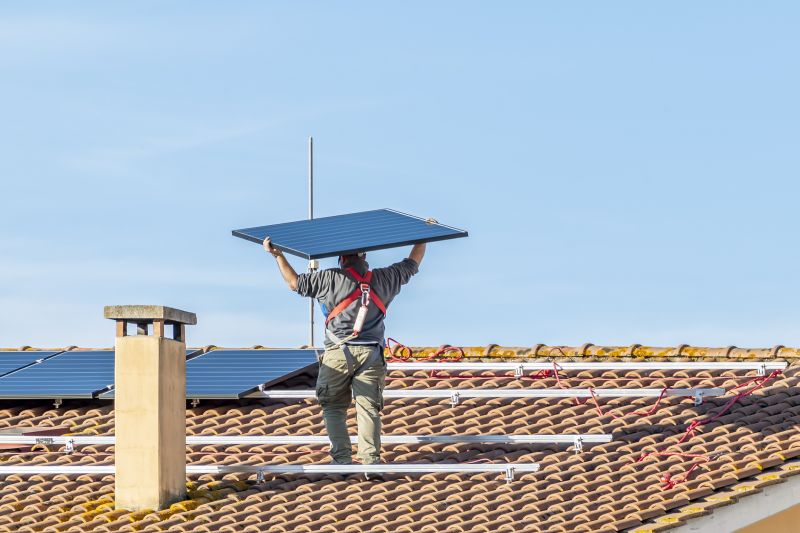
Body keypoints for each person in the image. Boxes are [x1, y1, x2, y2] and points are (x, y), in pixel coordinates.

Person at [263, 237, 426, 464]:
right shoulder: (385, 278)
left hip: (337, 355)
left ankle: (341, 460)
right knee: (368, 408)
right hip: (371, 356)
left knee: (333, 407)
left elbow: (294, 282)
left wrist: (278, 255)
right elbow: (412, 263)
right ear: (364, 257)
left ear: (341, 259)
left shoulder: (330, 278)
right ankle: (371, 461)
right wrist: (422, 238)